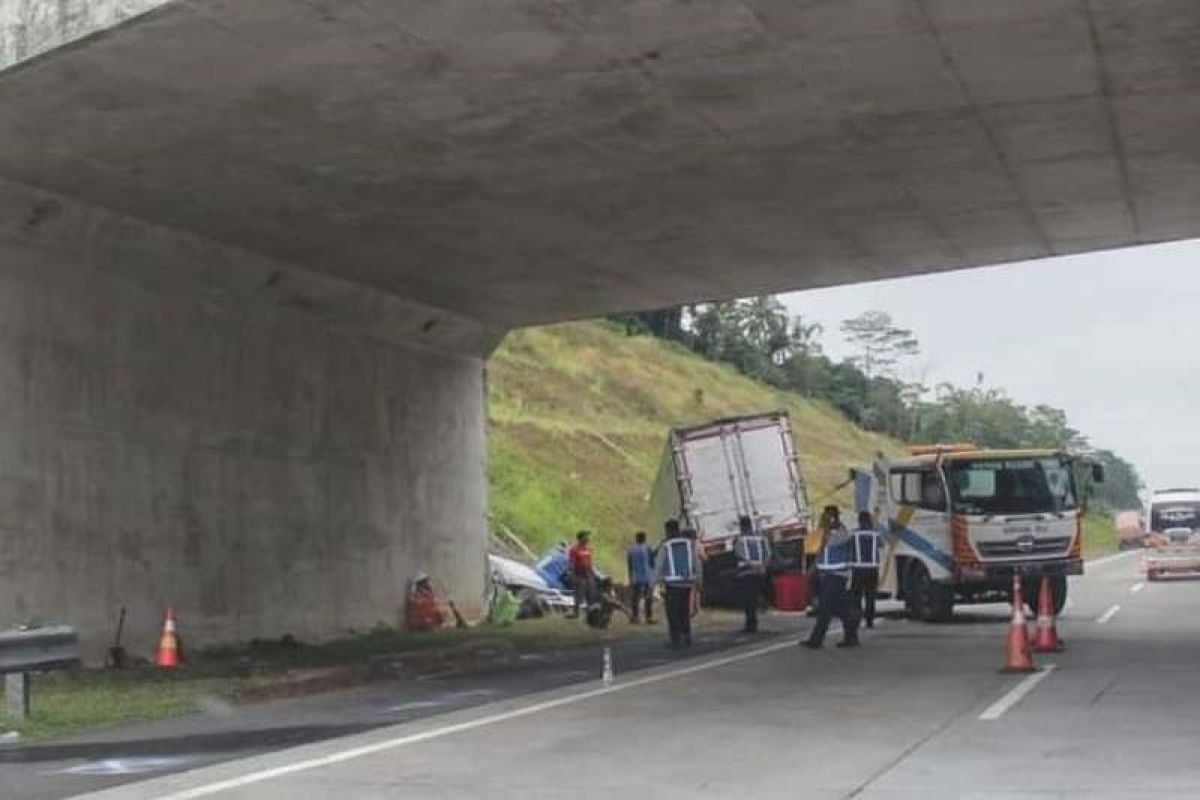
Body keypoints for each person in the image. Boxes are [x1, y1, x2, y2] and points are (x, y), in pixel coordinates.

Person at [801, 505, 860, 649]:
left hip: (837, 576)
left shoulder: (841, 534)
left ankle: (816, 641)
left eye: (826, 517)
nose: (823, 520)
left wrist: (825, 527)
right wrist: (815, 569)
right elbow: (821, 552)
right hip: (828, 576)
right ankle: (851, 635)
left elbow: (829, 542)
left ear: (832, 518)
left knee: (825, 609)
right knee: (840, 608)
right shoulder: (829, 533)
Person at [657, 520, 702, 647]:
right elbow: (697, 563)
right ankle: (687, 635)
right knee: (684, 611)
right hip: (687, 584)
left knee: (673, 613)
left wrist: (654, 583)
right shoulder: (689, 544)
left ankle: (676, 639)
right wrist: (699, 580)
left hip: (672, 585)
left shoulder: (665, 545)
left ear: (668, 531)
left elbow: (659, 565)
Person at [733, 515, 771, 633]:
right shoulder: (761, 538)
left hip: (746, 572)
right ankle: (761, 605)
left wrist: (751, 565)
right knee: (754, 596)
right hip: (760, 571)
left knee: (748, 600)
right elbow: (768, 554)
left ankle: (751, 625)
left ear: (742, 526)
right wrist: (762, 566)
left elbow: (739, 555)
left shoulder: (739, 539)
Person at [850, 510, 883, 629]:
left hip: (858, 569)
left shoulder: (854, 534)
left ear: (859, 521)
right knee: (870, 595)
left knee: (856, 597)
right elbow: (881, 545)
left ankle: (856, 620)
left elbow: (850, 547)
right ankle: (869, 621)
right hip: (872, 568)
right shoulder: (875, 534)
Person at [626, 531, 656, 624]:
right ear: (644, 539)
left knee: (635, 598)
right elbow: (652, 563)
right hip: (647, 576)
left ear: (636, 538)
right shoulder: (648, 548)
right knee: (648, 597)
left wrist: (630, 577)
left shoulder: (631, 549)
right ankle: (649, 617)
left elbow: (629, 565)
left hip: (635, 576)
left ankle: (635, 617)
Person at [568, 530, 595, 619]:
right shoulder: (574, 549)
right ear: (581, 538)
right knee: (578, 594)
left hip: (588, 574)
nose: (588, 538)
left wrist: (592, 574)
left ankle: (590, 612)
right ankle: (576, 613)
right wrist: (572, 575)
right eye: (586, 536)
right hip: (579, 574)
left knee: (590, 593)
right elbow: (571, 563)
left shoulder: (588, 549)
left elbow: (590, 562)